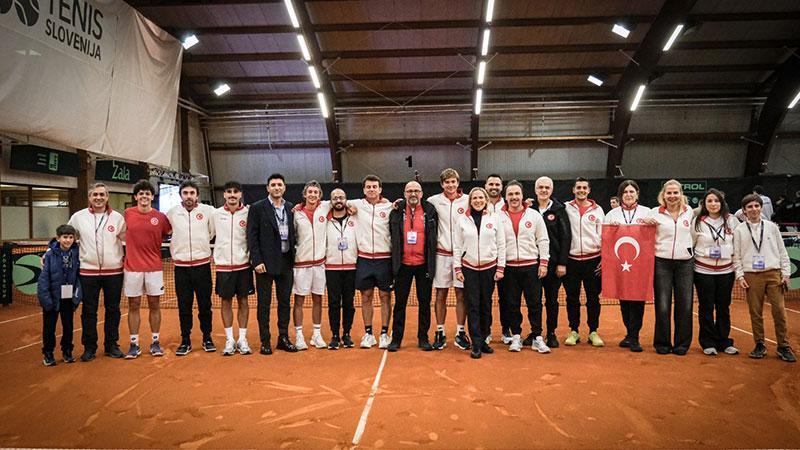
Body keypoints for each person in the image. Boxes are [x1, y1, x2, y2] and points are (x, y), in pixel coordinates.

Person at [733, 194, 795, 363]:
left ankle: (783, 346)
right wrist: (740, 275)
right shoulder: (739, 230)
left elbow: (782, 252)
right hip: (751, 275)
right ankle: (759, 344)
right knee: (755, 312)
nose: (753, 209)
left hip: (773, 273)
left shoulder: (772, 227)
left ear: (761, 207)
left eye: (756, 206)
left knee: (779, 311)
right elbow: (736, 256)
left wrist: (786, 273)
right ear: (744, 211)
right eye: (749, 207)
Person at [68, 182, 126, 361]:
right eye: (95, 195)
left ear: (107, 197)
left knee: (113, 309)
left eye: (102, 195)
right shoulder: (78, 217)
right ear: (90, 198)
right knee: (89, 311)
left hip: (114, 272)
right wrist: (49, 252)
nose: (99, 198)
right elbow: (66, 236)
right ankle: (89, 347)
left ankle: (111, 345)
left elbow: (128, 239)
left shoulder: (117, 218)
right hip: (88, 273)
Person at [247, 173, 298, 354]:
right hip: (265, 264)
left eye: (280, 185)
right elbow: (251, 236)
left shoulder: (291, 208)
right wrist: (257, 261)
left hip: (286, 262)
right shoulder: (257, 208)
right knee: (264, 304)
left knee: (285, 303)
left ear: (284, 188)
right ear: (268, 188)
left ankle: (283, 337)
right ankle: (265, 341)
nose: (277, 187)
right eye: (273, 185)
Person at [454, 187, 506, 359]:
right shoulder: (462, 219)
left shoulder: (495, 218)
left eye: (480, 198)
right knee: (473, 306)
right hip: (469, 268)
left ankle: (483, 339)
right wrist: (457, 267)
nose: (477, 200)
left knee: (486, 305)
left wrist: (500, 267)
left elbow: (501, 245)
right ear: (470, 201)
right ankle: (476, 344)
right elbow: (457, 245)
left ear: (485, 200)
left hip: (489, 268)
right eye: (474, 198)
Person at [645, 179, 695, 355]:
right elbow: (639, 223)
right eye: (669, 193)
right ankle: (662, 343)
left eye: (676, 193)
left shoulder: (689, 212)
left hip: (685, 264)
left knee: (685, 305)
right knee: (663, 305)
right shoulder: (654, 212)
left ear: (681, 194)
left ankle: (682, 344)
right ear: (663, 195)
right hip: (662, 263)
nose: (672, 196)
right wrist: (645, 220)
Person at [499, 181, 550, 352]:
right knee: (512, 304)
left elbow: (542, 239)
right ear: (505, 197)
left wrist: (543, 262)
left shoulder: (534, 215)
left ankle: (537, 336)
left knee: (534, 303)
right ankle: (516, 336)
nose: (514, 197)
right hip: (509, 268)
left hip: (531, 267)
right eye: (510, 194)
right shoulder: (498, 217)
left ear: (522, 195)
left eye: (517, 194)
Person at [123, 180, 172, 359]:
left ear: (152, 196)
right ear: (136, 197)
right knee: (133, 305)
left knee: (154, 304)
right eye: (141, 193)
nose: (144, 196)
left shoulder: (160, 217)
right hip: (132, 268)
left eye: (148, 193)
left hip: (154, 268)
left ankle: (155, 342)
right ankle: (134, 344)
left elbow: (169, 232)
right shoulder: (127, 214)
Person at [167, 180, 217, 356]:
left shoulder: (208, 211)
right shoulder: (172, 213)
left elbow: (211, 232)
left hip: (202, 266)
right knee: (184, 305)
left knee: (205, 305)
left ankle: (207, 337)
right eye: (185, 193)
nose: (189, 196)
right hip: (181, 269)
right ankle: (185, 340)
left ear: (197, 195)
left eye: (192, 193)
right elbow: (166, 231)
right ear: (181, 195)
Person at [389, 180, 438, 351]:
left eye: (416, 190)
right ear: (404, 194)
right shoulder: (395, 212)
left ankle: (423, 338)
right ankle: (396, 339)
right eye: (409, 191)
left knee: (424, 303)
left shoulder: (430, 211)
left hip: (424, 265)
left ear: (422, 193)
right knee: (400, 304)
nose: (413, 194)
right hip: (402, 266)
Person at [691, 189, 740, 356]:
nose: (713, 204)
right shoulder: (698, 221)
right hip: (703, 270)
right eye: (709, 201)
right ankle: (707, 342)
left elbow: (738, 243)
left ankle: (724, 341)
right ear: (704, 204)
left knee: (723, 307)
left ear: (722, 203)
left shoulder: (731, 220)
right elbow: (692, 243)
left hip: (726, 271)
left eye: (716, 201)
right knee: (706, 307)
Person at [604, 180, 651, 353]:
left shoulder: (647, 212)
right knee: (624, 300)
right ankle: (629, 334)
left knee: (637, 300)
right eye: (625, 192)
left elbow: (654, 236)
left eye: (632, 191)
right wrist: (611, 229)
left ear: (637, 193)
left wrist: (650, 224)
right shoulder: (611, 214)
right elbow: (605, 239)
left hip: (640, 266)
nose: (629, 195)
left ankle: (635, 336)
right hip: (620, 266)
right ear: (621, 195)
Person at [426, 168, 470, 350]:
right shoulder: (433, 201)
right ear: (442, 184)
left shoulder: (468, 200)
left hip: (462, 256)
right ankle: (440, 331)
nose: (450, 185)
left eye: (453, 182)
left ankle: (460, 332)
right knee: (441, 294)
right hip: (441, 254)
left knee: (461, 294)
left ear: (458, 183)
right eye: (447, 182)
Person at [349, 175, 394, 349]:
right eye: (368, 187)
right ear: (364, 190)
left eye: (375, 186)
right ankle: (368, 334)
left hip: (384, 259)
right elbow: (336, 201)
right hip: (365, 259)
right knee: (366, 296)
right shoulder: (357, 204)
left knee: (385, 296)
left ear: (380, 189)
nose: (372, 189)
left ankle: (384, 333)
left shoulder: (390, 206)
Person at [212, 181, 253, 356]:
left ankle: (242, 339)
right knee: (226, 302)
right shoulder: (215, 214)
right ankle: (230, 339)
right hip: (223, 267)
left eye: (235, 192)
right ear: (224, 195)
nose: (232, 195)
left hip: (243, 266)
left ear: (241, 194)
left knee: (243, 301)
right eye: (228, 192)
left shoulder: (249, 212)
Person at [563, 177, 605, 347]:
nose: (581, 190)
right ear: (573, 190)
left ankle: (593, 331)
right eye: (578, 187)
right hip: (571, 261)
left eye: (584, 188)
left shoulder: (598, 210)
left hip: (593, 260)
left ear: (589, 191)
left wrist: (604, 258)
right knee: (572, 298)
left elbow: (604, 235)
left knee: (593, 298)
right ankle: (574, 331)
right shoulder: (565, 208)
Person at [533, 177, 571, 349]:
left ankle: (551, 333)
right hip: (533, 264)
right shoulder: (529, 208)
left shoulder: (559, 210)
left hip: (554, 264)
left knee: (551, 300)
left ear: (551, 190)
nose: (543, 190)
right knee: (534, 301)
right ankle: (536, 333)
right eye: (540, 187)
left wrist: (562, 263)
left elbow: (565, 237)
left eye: (547, 187)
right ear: (535, 190)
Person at [292, 181, 330, 350]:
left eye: (316, 192)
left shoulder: (325, 207)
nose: (313, 195)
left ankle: (316, 334)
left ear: (320, 195)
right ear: (305, 194)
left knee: (318, 299)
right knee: (299, 300)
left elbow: (344, 201)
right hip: (301, 264)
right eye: (310, 192)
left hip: (320, 264)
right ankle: (299, 336)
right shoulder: (295, 213)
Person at [37, 224, 81, 366]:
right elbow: (43, 280)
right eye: (64, 237)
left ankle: (67, 351)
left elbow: (79, 277)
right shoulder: (49, 255)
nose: (67, 240)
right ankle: (48, 353)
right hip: (52, 298)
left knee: (68, 327)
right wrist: (46, 300)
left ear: (74, 239)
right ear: (58, 238)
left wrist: (76, 297)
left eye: (70, 237)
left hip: (68, 299)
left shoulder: (76, 253)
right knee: (49, 328)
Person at [325, 188, 358, 349]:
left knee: (349, 302)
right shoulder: (324, 219)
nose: (338, 200)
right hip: (331, 268)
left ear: (346, 200)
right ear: (330, 201)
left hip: (351, 267)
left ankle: (346, 333)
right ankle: (335, 335)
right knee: (333, 303)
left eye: (341, 197)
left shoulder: (355, 217)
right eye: (335, 198)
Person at [484, 174, 505, 344]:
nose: (494, 186)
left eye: (497, 184)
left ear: (501, 186)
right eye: (491, 183)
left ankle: (507, 331)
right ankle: (486, 331)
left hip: (506, 260)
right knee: (486, 298)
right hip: (486, 261)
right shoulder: (478, 203)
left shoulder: (510, 204)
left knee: (506, 298)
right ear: (485, 186)